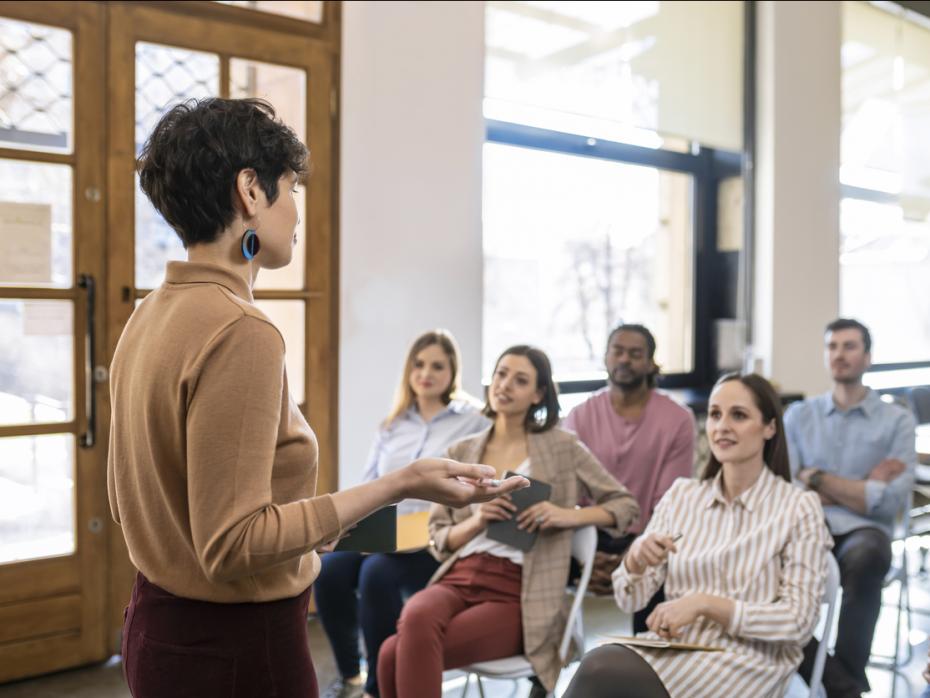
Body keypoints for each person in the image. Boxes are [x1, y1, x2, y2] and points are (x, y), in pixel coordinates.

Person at [107, 97, 526, 698]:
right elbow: (232, 545)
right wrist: (399, 483)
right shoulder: (242, 331)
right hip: (238, 652)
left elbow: (132, 503)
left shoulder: (149, 315)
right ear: (250, 191)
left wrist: (315, 525)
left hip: (156, 631)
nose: (297, 210)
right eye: (291, 188)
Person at [377, 345, 640, 698]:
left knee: (391, 654)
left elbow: (625, 506)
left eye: (520, 380)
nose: (505, 385)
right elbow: (438, 538)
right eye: (501, 374)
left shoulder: (563, 447)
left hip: (520, 592)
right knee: (415, 617)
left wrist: (566, 516)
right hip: (460, 576)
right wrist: (477, 520)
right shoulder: (462, 451)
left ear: (538, 394)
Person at [563, 373, 832, 698]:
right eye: (716, 414)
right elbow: (629, 599)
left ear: (769, 428)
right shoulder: (682, 496)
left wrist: (706, 605)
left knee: (602, 671)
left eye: (739, 415)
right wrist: (634, 562)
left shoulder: (798, 507)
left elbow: (799, 622)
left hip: (749, 661)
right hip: (675, 648)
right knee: (600, 667)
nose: (722, 426)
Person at [314, 330, 489, 698]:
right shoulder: (392, 424)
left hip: (434, 538)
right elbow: (369, 484)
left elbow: (480, 484)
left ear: (452, 371)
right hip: (386, 531)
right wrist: (346, 528)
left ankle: (379, 689)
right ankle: (351, 678)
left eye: (437, 366)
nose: (426, 372)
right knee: (328, 571)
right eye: (419, 364)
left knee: (376, 574)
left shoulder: (474, 421)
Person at [786, 318, 917, 697]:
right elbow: (788, 490)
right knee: (759, 564)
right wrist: (861, 485)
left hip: (865, 530)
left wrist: (817, 478)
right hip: (807, 525)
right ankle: (842, 682)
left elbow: (889, 499)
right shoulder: (799, 416)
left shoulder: (897, 421)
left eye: (849, 346)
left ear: (868, 356)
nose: (839, 355)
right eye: (832, 347)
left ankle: (844, 678)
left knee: (868, 557)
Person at [562, 323, 695, 628]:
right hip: (587, 531)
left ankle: (650, 657)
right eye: (618, 351)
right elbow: (569, 494)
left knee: (662, 566)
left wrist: (632, 554)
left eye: (635, 354)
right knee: (537, 557)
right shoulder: (580, 415)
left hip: (647, 535)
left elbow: (669, 502)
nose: (625, 360)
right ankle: (549, 662)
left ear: (650, 363)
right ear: (606, 357)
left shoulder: (678, 419)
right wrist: (586, 553)